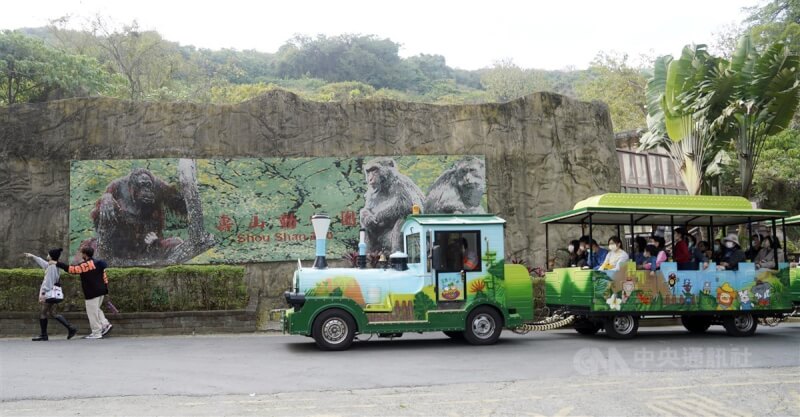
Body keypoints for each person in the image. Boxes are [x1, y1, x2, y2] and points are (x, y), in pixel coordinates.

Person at [54, 247, 113, 339]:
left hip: (92, 292)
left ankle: (96, 333)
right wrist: (106, 290)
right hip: (101, 291)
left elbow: (72, 269)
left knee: (92, 313)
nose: (81, 255)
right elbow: (105, 277)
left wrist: (57, 263)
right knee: (96, 309)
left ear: (85, 254)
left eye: (82, 253)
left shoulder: (86, 265)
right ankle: (105, 324)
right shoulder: (99, 263)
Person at [24, 249, 78, 341]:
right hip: (52, 293)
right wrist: (33, 256)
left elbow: (49, 281)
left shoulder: (52, 267)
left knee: (43, 313)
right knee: (52, 313)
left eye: (48, 254)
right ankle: (70, 329)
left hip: (49, 293)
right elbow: (44, 263)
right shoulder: (52, 265)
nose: (47, 255)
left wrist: (43, 294)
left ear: (51, 256)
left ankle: (44, 335)